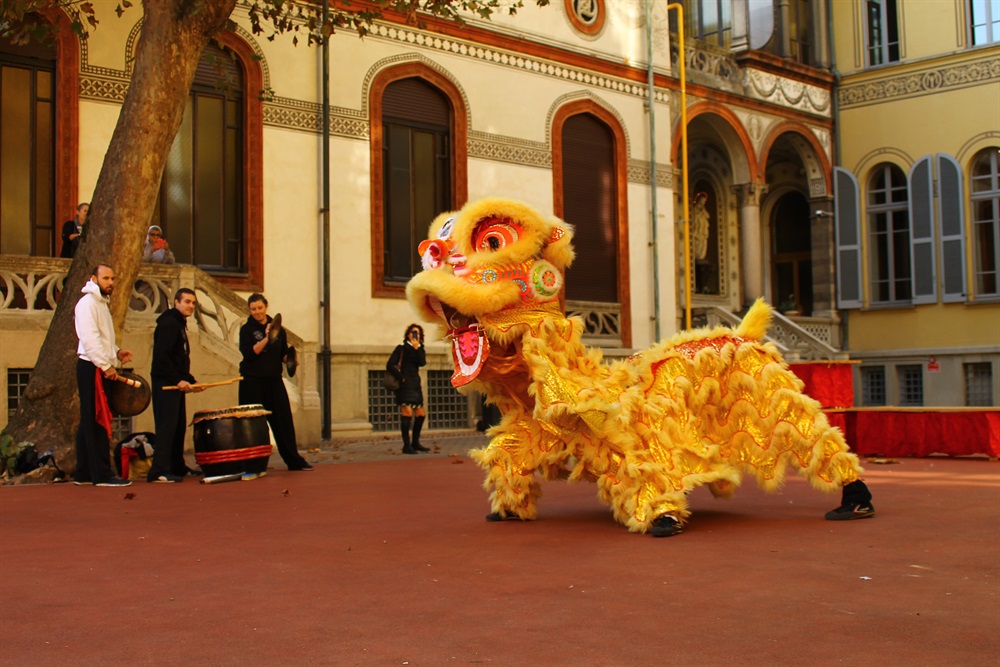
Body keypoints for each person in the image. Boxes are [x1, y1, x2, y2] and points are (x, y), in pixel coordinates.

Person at [73, 264, 133, 487]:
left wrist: (116, 352)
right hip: (92, 367)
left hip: (96, 365)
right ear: (93, 279)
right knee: (98, 419)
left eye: (112, 279)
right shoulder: (87, 303)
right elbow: (89, 340)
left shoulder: (100, 303)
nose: (110, 282)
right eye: (106, 278)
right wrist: (106, 365)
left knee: (89, 419)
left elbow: (101, 338)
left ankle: (84, 473)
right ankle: (102, 475)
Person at [238, 294, 313, 471]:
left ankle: (294, 461)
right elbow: (250, 353)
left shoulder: (279, 330)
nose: (257, 312)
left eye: (260, 308)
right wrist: (266, 338)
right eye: (253, 309)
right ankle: (253, 464)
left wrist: (290, 360)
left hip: (273, 381)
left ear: (266, 306)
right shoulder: (247, 329)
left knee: (283, 422)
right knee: (253, 425)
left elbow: (282, 354)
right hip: (252, 382)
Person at [148, 288, 204, 483]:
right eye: (187, 302)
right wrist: (177, 380)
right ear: (176, 302)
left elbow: (178, 359)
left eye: (193, 303)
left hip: (175, 383)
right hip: (165, 384)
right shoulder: (169, 324)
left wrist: (191, 381)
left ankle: (176, 466)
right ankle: (159, 471)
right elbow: (162, 358)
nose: (191, 306)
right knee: (167, 427)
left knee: (178, 427)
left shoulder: (179, 323)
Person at [387, 323, 428, 455]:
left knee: (421, 414)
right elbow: (390, 365)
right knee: (407, 413)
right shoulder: (401, 349)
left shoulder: (419, 348)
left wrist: (417, 348)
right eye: (413, 332)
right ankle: (406, 445)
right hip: (404, 386)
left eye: (418, 333)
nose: (415, 335)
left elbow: (422, 362)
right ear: (408, 335)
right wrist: (401, 377)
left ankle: (415, 443)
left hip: (415, 385)